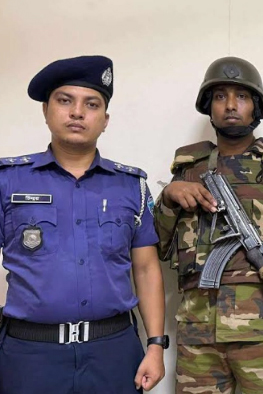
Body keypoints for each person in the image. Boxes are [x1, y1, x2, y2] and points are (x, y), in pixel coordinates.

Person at [0, 55, 166, 393]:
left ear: (105, 120)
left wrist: (156, 345)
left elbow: (147, 269)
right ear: (46, 110)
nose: (77, 112)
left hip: (113, 352)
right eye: (65, 101)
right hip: (30, 354)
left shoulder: (130, 186)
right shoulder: (8, 180)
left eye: (91, 104)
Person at [154, 56, 263, 394]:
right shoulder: (188, 168)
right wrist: (168, 196)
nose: (230, 105)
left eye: (241, 96)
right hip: (198, 337)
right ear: (208, 107)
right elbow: (156, 247)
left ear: (256, 107)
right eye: (220, 96)